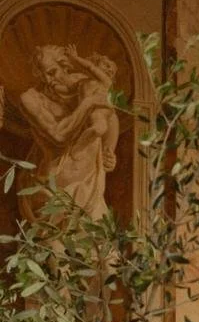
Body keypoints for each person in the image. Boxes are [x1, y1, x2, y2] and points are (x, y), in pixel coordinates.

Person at [2, 43, 120, 221]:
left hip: (90, 185)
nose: (48, 80)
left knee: (100, 245)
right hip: (53, 189)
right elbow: (58, 136)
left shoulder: (84, 84)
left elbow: (110, 116)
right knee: (51, 246)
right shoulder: (31, 99)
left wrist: (108, 149)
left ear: (64, 66)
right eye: (41, 74)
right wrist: (87, 105)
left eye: (51, 72)